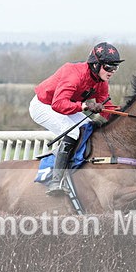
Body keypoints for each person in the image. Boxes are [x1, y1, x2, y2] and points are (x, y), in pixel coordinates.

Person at [30, 42, 123, 195]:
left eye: (115, 67)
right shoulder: (74, 75)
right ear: (95, 65)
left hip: (65, 105)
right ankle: (55, 180)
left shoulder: (101, 83)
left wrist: (124, 113)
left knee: (89, 128)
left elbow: (107, 109)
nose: (112, 71)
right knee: (73, 133)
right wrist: (84, 106)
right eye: (108, 67)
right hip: (43, 105)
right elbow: (58, 104)